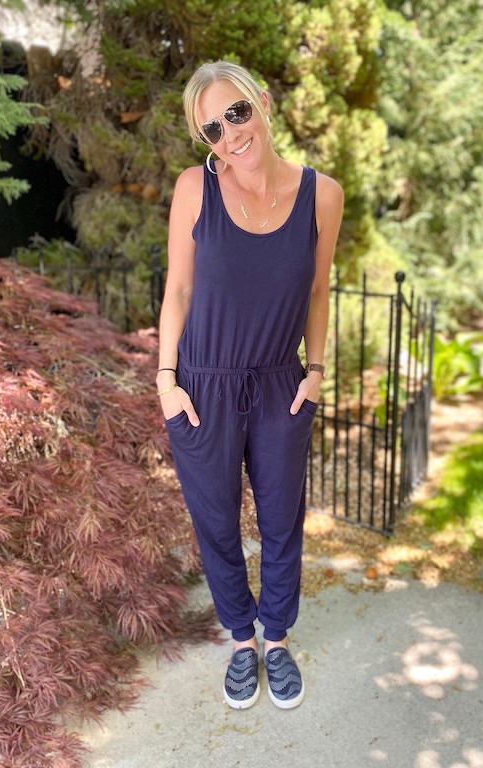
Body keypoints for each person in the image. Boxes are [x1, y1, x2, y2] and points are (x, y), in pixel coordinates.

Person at [156, 61, 343, 711]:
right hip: (201, 385)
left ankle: (278, 638)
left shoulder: (323, 195)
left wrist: (315, 373)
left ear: (263, 103)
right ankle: (241, 641)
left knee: (282, 520)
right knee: (215, 521)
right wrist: (167, 382)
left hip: (279, 383)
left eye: (237, 113)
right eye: (212, 128)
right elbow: (177, 290)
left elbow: (318, 291)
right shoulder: (193, 190)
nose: (230, 134)